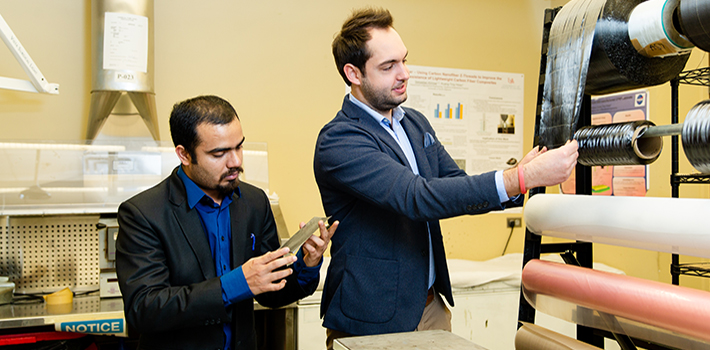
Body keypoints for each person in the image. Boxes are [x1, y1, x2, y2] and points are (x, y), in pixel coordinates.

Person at [314, 7, 579, 347]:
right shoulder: (340, 140)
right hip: (372, 315)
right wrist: (518, 178)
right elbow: (416, 198)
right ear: (353, 73)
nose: (404, 74)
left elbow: (454, 184)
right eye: (388, 66)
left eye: (404, 61)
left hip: (431, 307)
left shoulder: (415, 123)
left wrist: (518, 178)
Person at [117, 95, 337, 350]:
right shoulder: (143, 213)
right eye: (219, 153)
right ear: (184, 154)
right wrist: (238, 282)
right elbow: (144, 309)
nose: (235, 162)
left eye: (238, 147)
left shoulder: (255, 202)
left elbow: (271, 292)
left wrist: (307, 264)